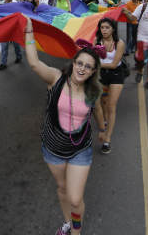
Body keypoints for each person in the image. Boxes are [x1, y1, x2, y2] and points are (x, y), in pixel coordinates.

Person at [23, 17, 105, 235]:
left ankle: (76, 232)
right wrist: (29, 32)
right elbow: (33, 63)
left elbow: (97, 110)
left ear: (93, 71)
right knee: (62, 189)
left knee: (76, 198)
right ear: (74, 63)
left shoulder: (94, 91)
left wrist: (103, 129)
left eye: (88, 67)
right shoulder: (56, 79)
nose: (82, 68)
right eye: (80, 63)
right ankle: (68, 222)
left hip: (80, 149)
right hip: (53, 148)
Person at [93, 18, 126, 155]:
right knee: (101, 103)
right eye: (102, 27)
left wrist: (97, 65)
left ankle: (107, 139)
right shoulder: (96, 41)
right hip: (101, 75)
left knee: (111, 105)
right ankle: (104, 121)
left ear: (113, 29)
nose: (104, 30)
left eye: (107, 27)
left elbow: (113, 64)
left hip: (116, 75)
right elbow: (93, 59)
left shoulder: (119, 43)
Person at [0, 0, 22, 70]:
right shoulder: (2, 5)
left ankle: (19, 56)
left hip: (14, 28)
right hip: (5, 28)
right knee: (4, 46)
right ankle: (3, 63)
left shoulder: (16, 4)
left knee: (16, 44)